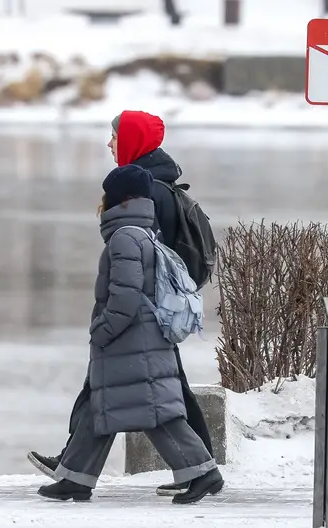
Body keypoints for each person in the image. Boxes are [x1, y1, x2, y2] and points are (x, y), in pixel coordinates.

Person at [28, 110, 215, 496]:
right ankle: (74, 473)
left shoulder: (147, 195)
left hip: (141, 319)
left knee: (149, 396)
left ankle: (200, 468)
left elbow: (139, 272)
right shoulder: (153, 186)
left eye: (113, 136)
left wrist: (109, 323)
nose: (109, 144)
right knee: (116, 391)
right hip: (147, 317)